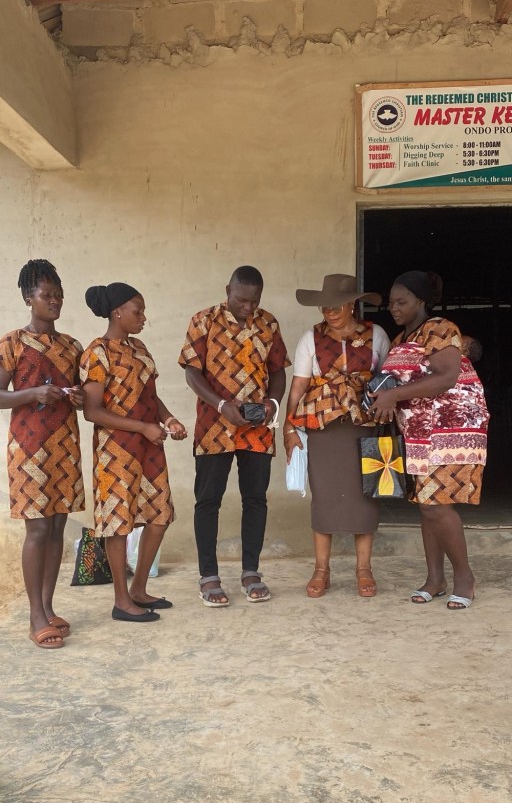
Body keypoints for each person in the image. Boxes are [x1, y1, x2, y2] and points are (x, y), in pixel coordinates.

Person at [370, 271, 489, 610]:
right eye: (391, 302)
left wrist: (394, 396)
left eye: (402, 302)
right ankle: (435, 578)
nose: (394, 308)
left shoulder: (440, 328)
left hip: (451, 426)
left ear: (421, 301)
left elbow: (447, 376)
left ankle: (464, 577)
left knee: (436, 504)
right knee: (425, 503)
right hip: (420, 430)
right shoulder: (402, 337)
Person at [0, 259, 85, 649]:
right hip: (28, 449)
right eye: (47, 295)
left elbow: (79, 393)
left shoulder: (72, 346)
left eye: (59, 295)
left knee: (58, 527)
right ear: (29, 298)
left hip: (65, 445)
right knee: (38, 529)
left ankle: (47, 607)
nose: (55, 301)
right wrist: (33, 393)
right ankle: (34, 618)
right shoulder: (11, 343)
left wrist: (77, 397)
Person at [179, 265, 290, 606]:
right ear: (228, 290)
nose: (248, 307)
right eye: (241, 300)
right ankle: (209, 576)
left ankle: (251, 572)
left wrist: (273, 403)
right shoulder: (203, 321)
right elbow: (192, 373)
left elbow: (278, 372)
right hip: (214, 427)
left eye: (254, 301)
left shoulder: (268, 323)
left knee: (255, 499)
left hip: (257, 429)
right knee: (208, 500)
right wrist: (221, 404)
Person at [81, 283, 187, 623]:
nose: (143, 317)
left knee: (159, 515)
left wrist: (168, 419)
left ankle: (139, 589)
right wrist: (142, 427)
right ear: (117, 313)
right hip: (115, 451)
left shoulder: (139, 348)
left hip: (148, 446)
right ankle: (121, 600)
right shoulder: (97, 352)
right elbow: (92, 411)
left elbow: (150, 397)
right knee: (118, 522)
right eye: (137, 311)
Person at [283, 274, 390, 598]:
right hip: (323, 428)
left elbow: (388, 381)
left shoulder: (376, 335)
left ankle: (364, 570)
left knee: (365, 497)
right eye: (324, 306)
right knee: (324, 497)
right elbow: (299, 385)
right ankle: (321, 570)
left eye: (335, 305)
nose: (328, 311)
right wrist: (289, 427)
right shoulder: (311, 338)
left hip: (365, 426)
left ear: (351, 304)